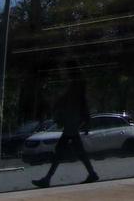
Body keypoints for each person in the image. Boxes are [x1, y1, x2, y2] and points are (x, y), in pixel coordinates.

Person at [32, 60, 99, 188]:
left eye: (66, 69)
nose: (64, 72)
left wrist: (83, 118)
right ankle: (91, 173)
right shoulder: (76, 83)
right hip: (72, 121)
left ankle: (47, 179)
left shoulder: (77, 84)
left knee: (61, 151)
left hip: (72, 121)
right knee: (75, 151)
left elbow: (79, 102)